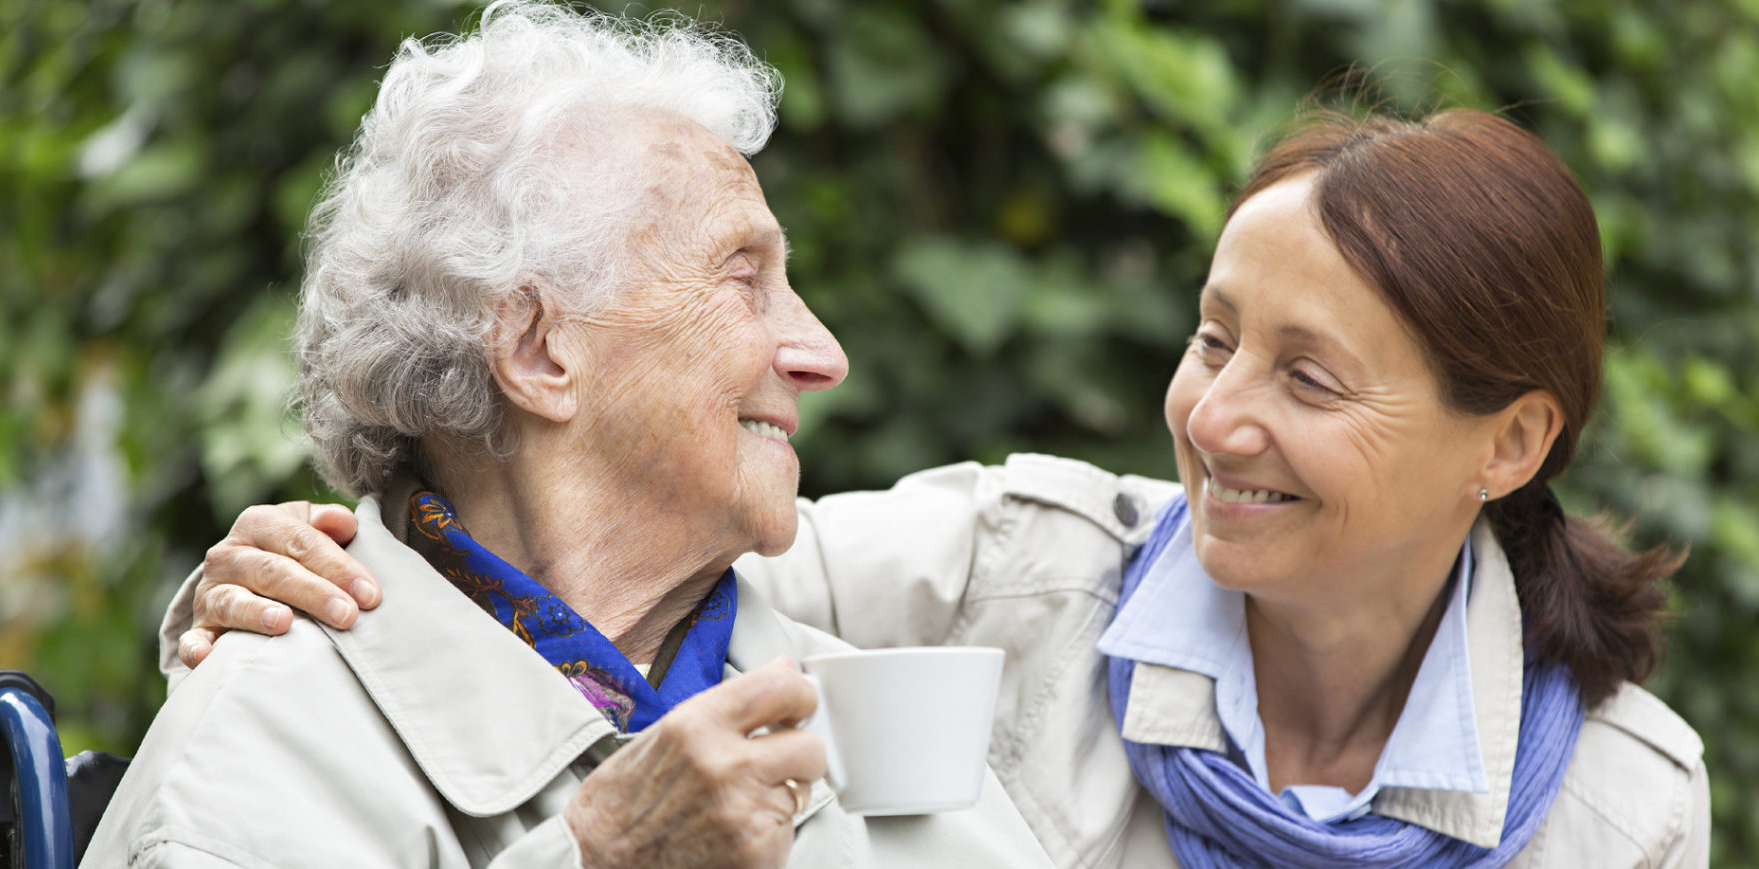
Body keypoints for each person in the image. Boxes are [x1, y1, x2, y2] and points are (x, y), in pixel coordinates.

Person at [162, 107, 1711, 866]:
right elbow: (578, 576)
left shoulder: (1620, 799)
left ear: (1508, 443)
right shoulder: (1019, 572)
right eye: (1213, 338)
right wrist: (282, 579)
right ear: (538, 349)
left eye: (1307, 380)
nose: (1213, 418)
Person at [80, 4, 1056, 867]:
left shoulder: (871, 709)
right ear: (542, 351)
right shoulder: (263, 749)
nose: (820, 351)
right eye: (743, 278)